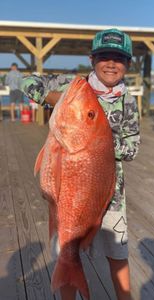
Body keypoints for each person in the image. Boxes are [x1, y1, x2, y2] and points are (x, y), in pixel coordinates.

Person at [21, 28, 140, 300]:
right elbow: (26, 81)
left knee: (117, 253)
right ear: (91, 59)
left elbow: (132, 148)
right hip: (69, 191)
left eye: (119, 58)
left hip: (111, 196)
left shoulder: (128, 101)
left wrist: (100, 142)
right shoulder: (72, 86)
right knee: (65, 250)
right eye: (104, 56)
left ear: (128, 64)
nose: (111, 63)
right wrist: (57, 100)